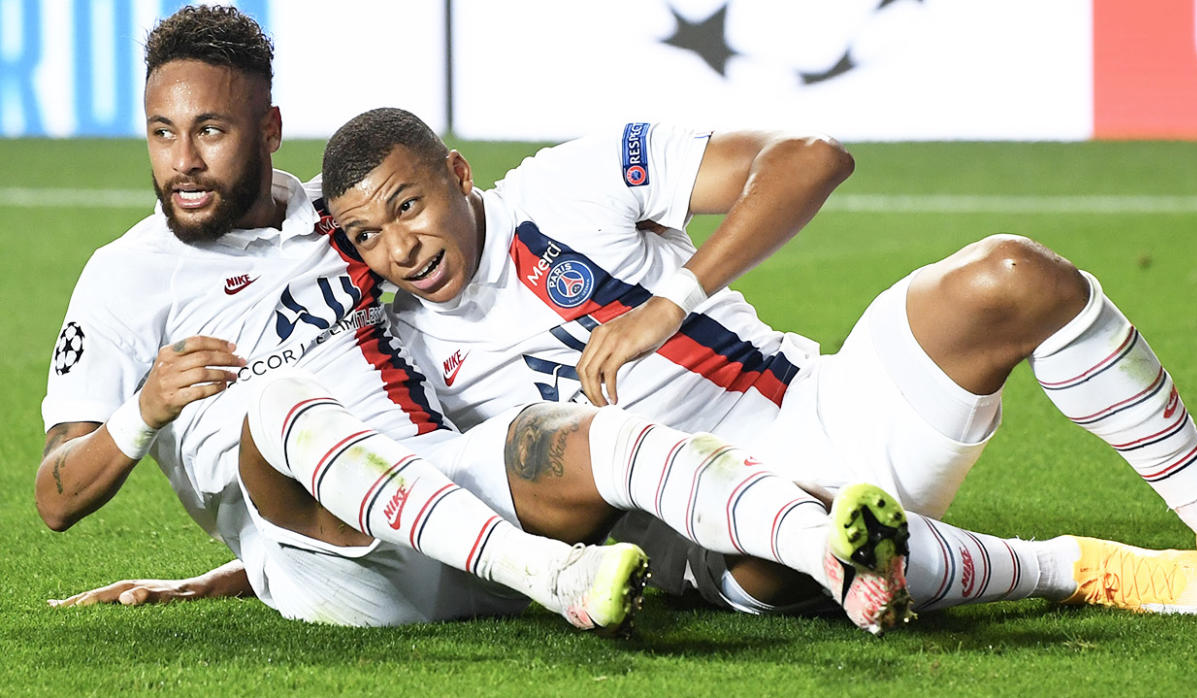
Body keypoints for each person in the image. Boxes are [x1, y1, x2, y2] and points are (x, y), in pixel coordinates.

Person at [38, 5, 916, 636]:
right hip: (317, 545)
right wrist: (142, 412)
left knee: (590, 434)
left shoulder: (341, 223)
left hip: (450, 505)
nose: (182, 162)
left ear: (268, 130)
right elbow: (55, 496)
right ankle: (556, 578)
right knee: (283, 406)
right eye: (161, 133)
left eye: (210, 132)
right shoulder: (123, 280)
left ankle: (1001, 564)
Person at [318, 106, 1197, 616]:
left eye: (408, 205)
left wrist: (671, 301)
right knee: (810, 536)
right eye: (367, 234)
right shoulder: (409, 357)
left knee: (1014, 277)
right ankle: (1067, 567)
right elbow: (408, 504)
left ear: (459, 172)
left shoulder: (567, 184)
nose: (398, 245)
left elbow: (810, 159)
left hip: (827, 408)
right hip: (714, 543)